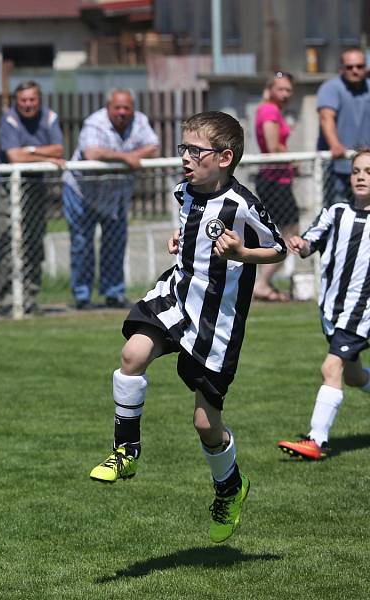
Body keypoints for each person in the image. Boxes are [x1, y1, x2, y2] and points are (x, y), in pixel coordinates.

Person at [88, 111, 286, 543]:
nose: (185, 157)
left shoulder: (243, 204)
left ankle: (229, 486)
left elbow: (279, 249)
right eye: (184, 148)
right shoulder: (185, 192)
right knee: (132, 355)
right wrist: (181, 241)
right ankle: (127, 450)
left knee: (204, 422)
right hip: (176, 294)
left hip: (217, 318)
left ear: (225, 157)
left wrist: (243, 255)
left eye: (196, 151)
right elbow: (191, 229)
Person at [278, 148, 370, 461]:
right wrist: (300, 245)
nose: (361, 177)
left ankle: (317, 441)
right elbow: (310, 241)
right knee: (355, 376)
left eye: (369, 172)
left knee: (330, 367)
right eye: (357, 171)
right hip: (332, 310)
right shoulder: (336, 212)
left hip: (361, 313)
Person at [62, 89, 159, 310]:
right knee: (82, 244)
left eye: (127, 108)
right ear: (108, 108)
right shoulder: (95, 124)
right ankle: (82, 296)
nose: (123, 112)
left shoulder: (140, 121)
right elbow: (91, 154)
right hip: (82, 193)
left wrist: (132, 156)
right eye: (118, 107)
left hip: (116, 196)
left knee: (115, 245)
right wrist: (127, 157)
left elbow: (153, 147)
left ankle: (114, 293)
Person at [0, 80, 65, 316]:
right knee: (5, 242)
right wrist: (40, 153)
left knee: (33, 243)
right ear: (16, 101)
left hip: (35, 187)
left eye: (32, 99)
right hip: (7, 188)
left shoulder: (49, 117)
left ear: (39, 100)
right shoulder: (9, 120)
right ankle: (6, 300)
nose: (27, 104)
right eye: (23, 100)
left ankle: (30, 298)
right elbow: (14, 156)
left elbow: (59, 150)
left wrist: (29, 152)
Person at [253, 72, 299, 302]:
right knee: (289, 232)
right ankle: (261, 283)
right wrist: (293, 159)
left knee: (285, 231)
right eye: (280, 89)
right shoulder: (269, 110)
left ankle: (264, 282)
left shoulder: (271, 109)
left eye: (288, 90)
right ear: (270, 89)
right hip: (274, 179)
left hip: (278, 178)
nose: (285, 94)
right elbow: (272, 147)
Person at [317, 48, 370, 207]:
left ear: (366, 68)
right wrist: (335, 144)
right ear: (341, 69)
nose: (355, 70)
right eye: (350, 67)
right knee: (337, 211)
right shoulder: (331, 87)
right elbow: (326, 117)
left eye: (359, 66)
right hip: (338, 165)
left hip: (367, 167)